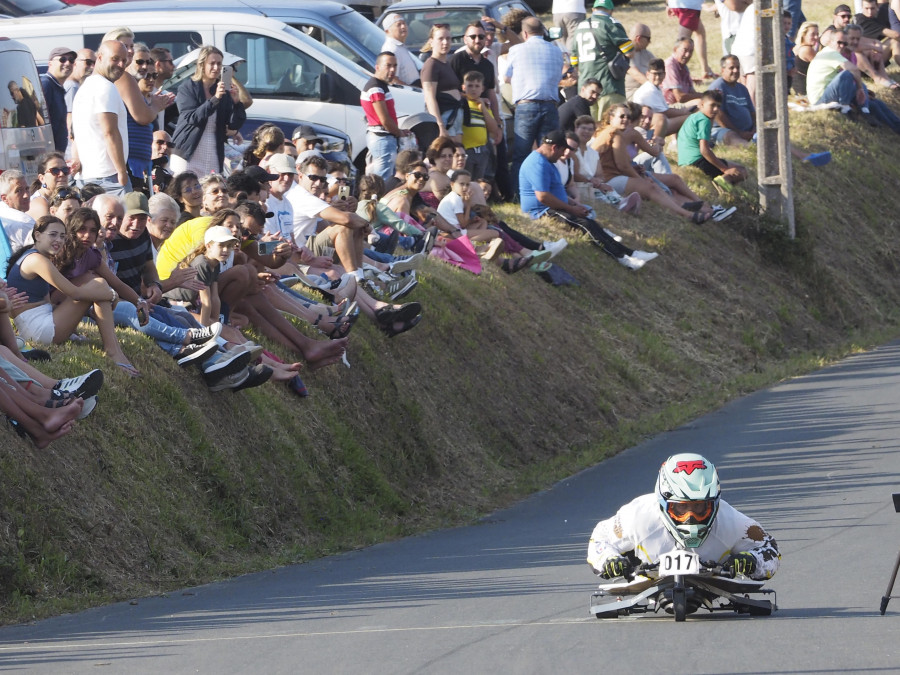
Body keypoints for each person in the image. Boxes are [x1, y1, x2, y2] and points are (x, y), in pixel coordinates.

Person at [586, 453, 780, 581]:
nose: (690, 517)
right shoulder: (637, 516)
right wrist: (610, 560)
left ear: (713, 504)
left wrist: (751, 560)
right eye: (681, 508)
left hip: (714, 575)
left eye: (699, 507)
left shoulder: (732, 522)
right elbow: (600, 538)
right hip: (646, 572)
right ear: (664, 503)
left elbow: (768, 547)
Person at [6, 215, 139, 375]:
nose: (59, 240)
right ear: (38, 235)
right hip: (40, 331)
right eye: (53, 234)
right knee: (99, 285)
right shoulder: (36, 260)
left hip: (38, 325)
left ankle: (114, 349)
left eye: (62, 236)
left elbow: (50, 302)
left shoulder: (36, 256)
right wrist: (110, 295)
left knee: (98, 285)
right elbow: (74, 293)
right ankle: (113, 351)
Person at [519, 130, 658, 270]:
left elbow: (556, 192)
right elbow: (543, 197)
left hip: (555, 206)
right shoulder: (538, 164)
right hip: (542, 210)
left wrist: (574, 203)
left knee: (592, 223)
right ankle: (623, 259)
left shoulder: (548, 161)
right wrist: (571, 209)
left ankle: (631, 253)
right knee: (585, 224)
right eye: (563, 150)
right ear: (554, 148)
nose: (564, 154)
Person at [505, 16, 567, 197]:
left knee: (521, 154)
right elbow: (558, 77)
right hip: (550, 105)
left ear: (524, 33)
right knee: (548, 154)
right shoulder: (556, 51)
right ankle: (548, 192)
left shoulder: (516, 50)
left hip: (526, 106)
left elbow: (507, 78)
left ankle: (519, 194)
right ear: (543, 31)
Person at [170, 45, 247, 176]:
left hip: (213, 151)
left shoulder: (223, 90)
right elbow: (192, 118)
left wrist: (237, 103)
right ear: (202, 65)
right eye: (212, 63)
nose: (216, 68)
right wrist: (215, 98)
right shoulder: (188, 87)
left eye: (219, 64)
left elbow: (233, 124)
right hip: (187, 151)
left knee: (210, 190)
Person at [807, 28, 900, 133]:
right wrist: (860, 89)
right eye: (839, 42)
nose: (842, 45)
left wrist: (862, 90)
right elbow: (853, 70)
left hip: (831, 92)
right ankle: (846, 107)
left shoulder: (846, 54)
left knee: (876, 103)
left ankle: (894, 126)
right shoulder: (831, 53)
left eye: (845, 43)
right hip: (820, 99)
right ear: (831, 42)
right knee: (848, 74)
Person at [71, 40, 130, 195]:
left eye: (124, 60)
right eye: (115, 59)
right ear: (100, 57)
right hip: (109, 177)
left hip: (89, 176)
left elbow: (76, 135)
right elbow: (109, 132)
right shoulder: (105, 87)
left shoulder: (84, 89)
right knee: (126, 219)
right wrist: (122, 172)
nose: (121, 65)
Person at [676, 89, 749, 194]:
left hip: (684, 160)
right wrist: (724, 169)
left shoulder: (694, 116)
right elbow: (704, 150)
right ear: (701, 104)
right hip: (697, 161)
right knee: (742, 171)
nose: (716, 109)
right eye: (712, 105)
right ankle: (725, 186)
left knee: (734, 166)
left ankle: (730, 189)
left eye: (718, 106)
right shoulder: (704, 120)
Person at [573, 0, 634, 118]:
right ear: (611, 11)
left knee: (590, 131)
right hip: (608, 85)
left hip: (585, 89)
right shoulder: (611, 23)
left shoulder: (580, 26)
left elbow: (574, 61)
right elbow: (629, 52)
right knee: (611, 128)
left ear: (593, 10)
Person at [362, 52, 405, 183]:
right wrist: (400, 133)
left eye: (395, 66)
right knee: (382, 183)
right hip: (382, 139)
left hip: (382, 138)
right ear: (377, 67)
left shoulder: (380, 86)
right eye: (388, 66)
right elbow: (385, 120)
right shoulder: (376, 88)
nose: (392, 70)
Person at [451, 21, 501, 126]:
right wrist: (475, 98)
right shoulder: (456, 60)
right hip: (461, 119)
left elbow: (491, 94)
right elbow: (450, 91)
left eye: (481, 37)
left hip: (484, 119)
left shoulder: (488, 65)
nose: (477, 40)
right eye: (473, 37)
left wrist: (497, 123)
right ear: (465, 39)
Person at [632, 58, 695, 140]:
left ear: (664, 75)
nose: (657, 77)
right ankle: (652, 144)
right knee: (691, 118)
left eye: (660, 74)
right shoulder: (648, 90)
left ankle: (676, 142)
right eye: (654, 74)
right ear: (647, 74)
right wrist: (686, 112)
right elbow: (666, 112)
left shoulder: (655, 88)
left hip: (650, 123)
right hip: (642, 127)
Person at [421, 25, 463, 143]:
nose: (445, 42)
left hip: (456, 117)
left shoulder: (446, 63)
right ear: (431, 42)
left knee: (458, 155)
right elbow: (430, 98)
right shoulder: (431, 65)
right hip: (444, 119)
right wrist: (440, 126)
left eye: (448, 38)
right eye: (441, 39)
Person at [124, 43, 157, 193]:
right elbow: (142, 118)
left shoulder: (135, 87)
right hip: (129, 162)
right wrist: (156, 106)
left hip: (140, 163)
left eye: (148, 62)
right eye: (140, 61)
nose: (144, 66)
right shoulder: (125, 81)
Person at [459, 71, 501, 180]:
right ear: (463, 87)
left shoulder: (484, 105)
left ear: (482, 89)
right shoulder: (462, 103)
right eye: (470, 86)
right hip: (467, 150)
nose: (473, 89)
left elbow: (493, 129)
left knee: (479, 181)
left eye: (477, 86)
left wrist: (483, 108)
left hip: (482, 150)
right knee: (466, 179)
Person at [666, 0, 715, 80]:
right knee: (681, 46)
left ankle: (705, 70)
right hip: (689, 6)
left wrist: (668, 3)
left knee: (700, 33)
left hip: (684, 5)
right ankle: (672, 75)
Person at [41, 47, 76, 153]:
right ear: (50, 63)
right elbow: (40, 121)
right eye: (62, 59)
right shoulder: (46, 84)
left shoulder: (57, 87)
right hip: (49, 155)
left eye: (71, 60)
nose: (67, 63)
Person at [64, 48, 94, 154]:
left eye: (95, 63)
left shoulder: (76, 85)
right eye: (88, 62)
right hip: (73, 151)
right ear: (75, 63)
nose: (92, 67)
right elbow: (70, 121)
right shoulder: (72, 87)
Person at [380, 13, 422, 87]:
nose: (403, 27)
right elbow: (392, 79)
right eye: (398, 25)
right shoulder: (391, 49)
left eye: (404, 23)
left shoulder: (399, 46)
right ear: (387, 31)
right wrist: (413, 91)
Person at [0, 170, 36, 252]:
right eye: (18, 191)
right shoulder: (24, 221)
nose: (26, 195)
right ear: (5, 198)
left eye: (27, 189)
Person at [857, 0, 900, 67]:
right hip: (862, 63)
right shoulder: (861, 20)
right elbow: (896, 35)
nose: (869, 12)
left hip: (872, 56)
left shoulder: (878, 17)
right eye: (866, 8)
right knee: (894, 41)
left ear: (877, 7)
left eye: (872, 8)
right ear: (862, 7)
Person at [662, 38, 702, 105]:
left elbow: (692, 93)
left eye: (691, 51)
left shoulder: (684, 67)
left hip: (681, 105)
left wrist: (710, 94)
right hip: (669, 106)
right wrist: (705, 96)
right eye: (685, 50)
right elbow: (680, 97)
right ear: (675, 49)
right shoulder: (670, 65)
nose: (688, 55)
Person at [625, 24, 655, 100]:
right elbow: (635, 74)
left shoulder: (647, 54)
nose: (650, 42)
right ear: (638, 38)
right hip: (631, 96)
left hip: (648, 94)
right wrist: (654, 89)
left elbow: (658, 69)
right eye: (648, 39)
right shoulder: (626, 52)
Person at [793, 21, 821, 96]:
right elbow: (821, 68)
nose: (816, 37)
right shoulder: (807, 50)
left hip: (797, 89)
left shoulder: (796, 47)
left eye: (817, 34)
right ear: (804, 35)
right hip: (806, 91)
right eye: (813, 34)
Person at [151, 130, 174, 194]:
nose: (165, 147)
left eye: (169, 144)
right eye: (160, 142)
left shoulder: (176, 174)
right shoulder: (138, 171)